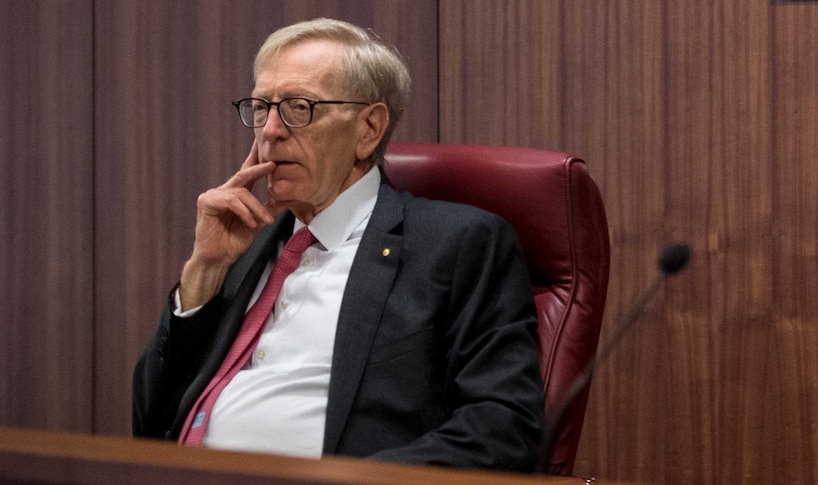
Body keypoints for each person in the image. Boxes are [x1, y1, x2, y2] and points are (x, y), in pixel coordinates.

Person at [132, 18, 544, 472]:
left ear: (368, 128)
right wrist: (203, 274)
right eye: (262, 108)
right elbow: (150, 421)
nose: (269, 131)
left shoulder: (455, 243)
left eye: (298, 108)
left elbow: (504, 428)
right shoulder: (243, 244)